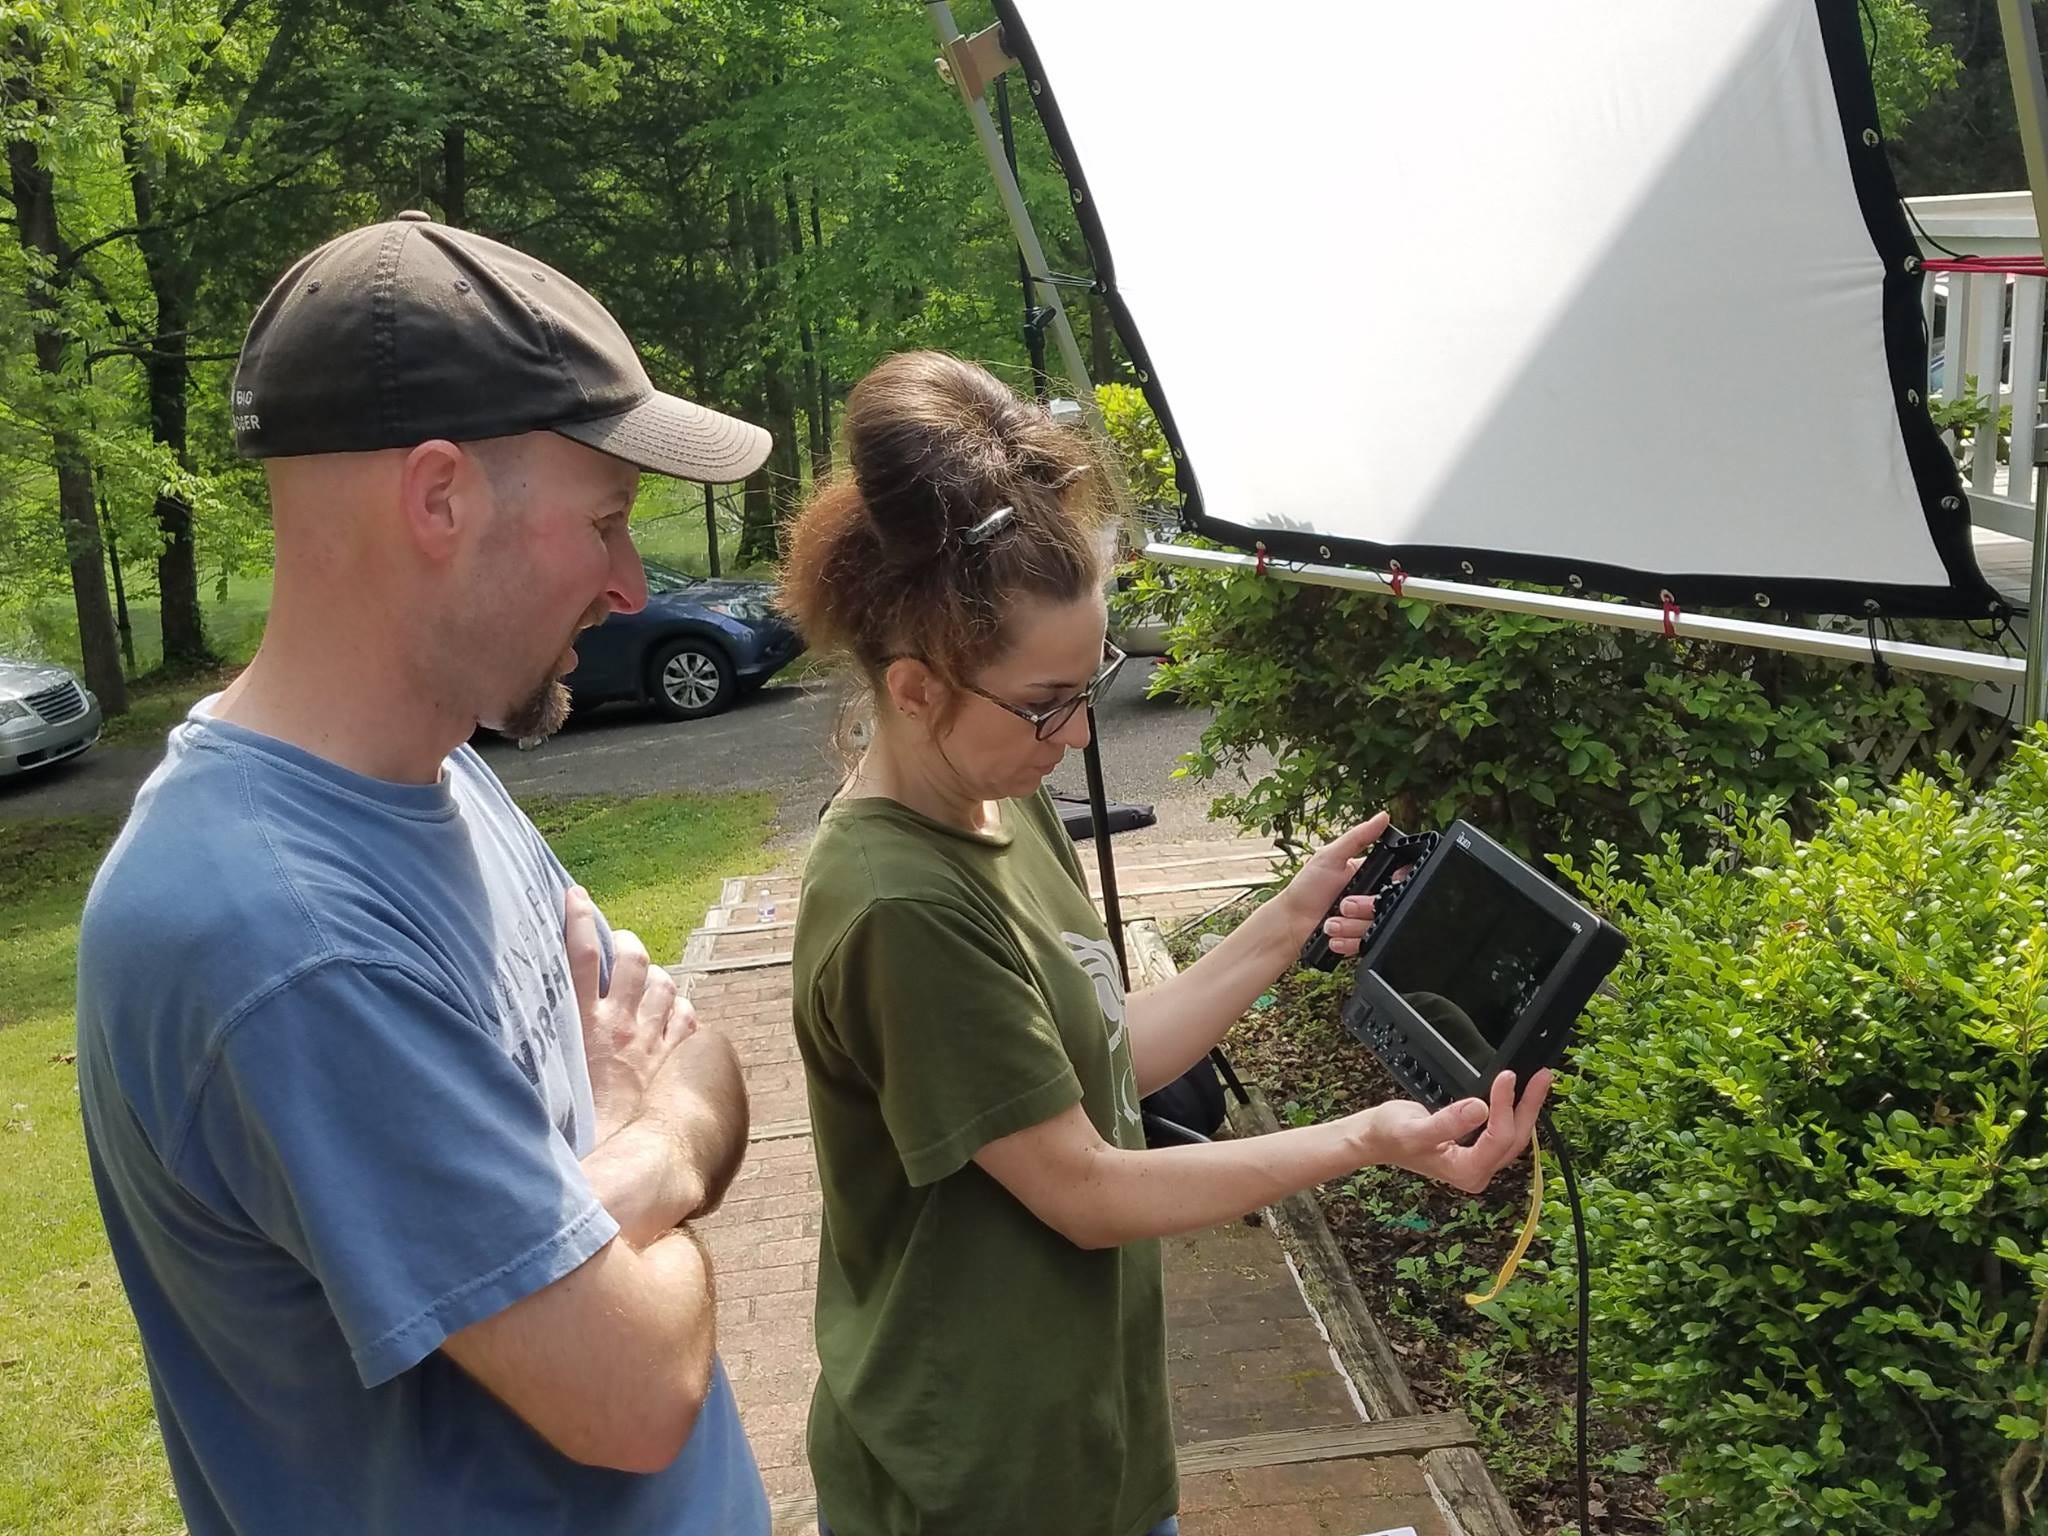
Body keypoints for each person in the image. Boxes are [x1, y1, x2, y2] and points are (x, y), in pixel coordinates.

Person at [75, 213, 775, 1535]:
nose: (631, 586)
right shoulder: (280, 936)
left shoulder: (438, 775)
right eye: (607, 521)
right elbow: (635, 1390)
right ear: (438, 497)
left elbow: (695, 1059)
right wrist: (651, 1145)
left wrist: (647, 1149)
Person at [776, 350, 1553, 1536]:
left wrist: (1285, 923)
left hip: (1084, 1441)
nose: (1077, 734)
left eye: (1086, 684)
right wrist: (1361, 1140)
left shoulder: (995, 796)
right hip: (974, 1482)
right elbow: (1083, 1190)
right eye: (1045, 703)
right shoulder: (901, 907)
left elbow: (1099, 1059)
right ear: (916, 689)